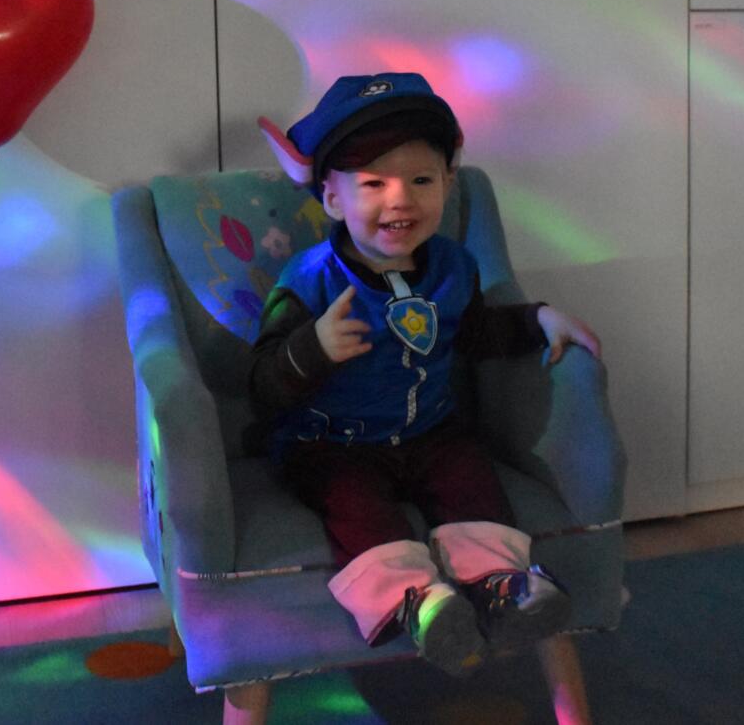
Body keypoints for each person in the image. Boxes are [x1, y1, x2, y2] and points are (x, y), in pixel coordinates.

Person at [249, 72, 602, 676]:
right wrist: (313, 348)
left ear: (446, 184)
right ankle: (418, 602)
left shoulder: (453, 266)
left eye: (420, 180)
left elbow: (475, 333)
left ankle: (501, 584)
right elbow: (260, 382)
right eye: (374, 183)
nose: (401, 199)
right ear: (333, 199)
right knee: (356, 506)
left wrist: (537, 318)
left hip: (429, 431)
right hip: (330, 442)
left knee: (469, 480)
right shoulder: (310, 280)